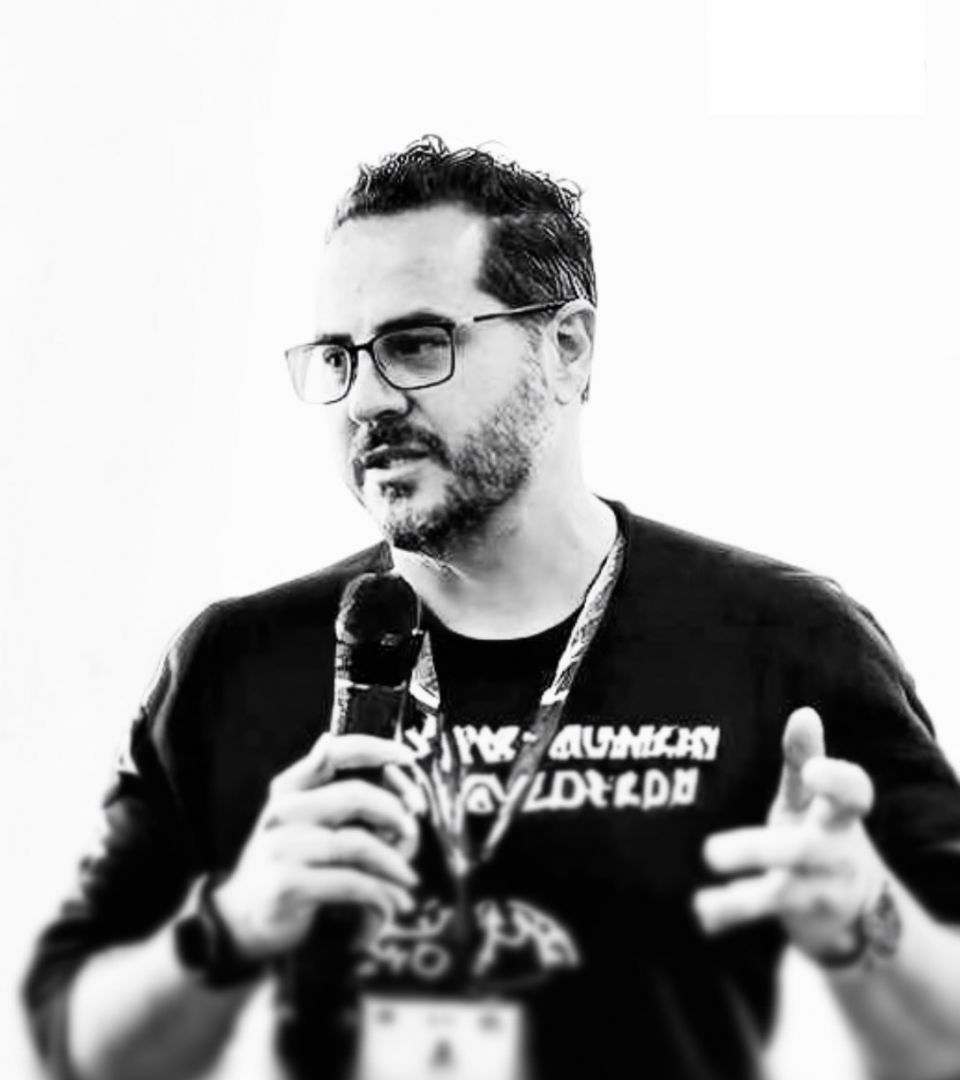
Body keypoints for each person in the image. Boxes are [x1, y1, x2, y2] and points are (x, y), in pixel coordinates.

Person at [22, 136, 960, 1080]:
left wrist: (867, 917)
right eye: (339, 358)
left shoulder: (778, 643)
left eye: (416, 345)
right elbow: (75, 1044)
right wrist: (230, 926)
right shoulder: (236, 664)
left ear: (567, 348)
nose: (367, 399)